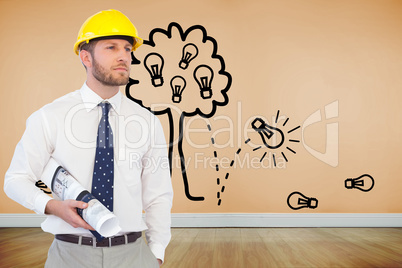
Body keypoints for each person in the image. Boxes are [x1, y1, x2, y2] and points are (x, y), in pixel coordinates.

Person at [4, 9, 173, 267]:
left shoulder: (147, 122)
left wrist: (157, 252)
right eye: (111, 47)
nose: (123, 56)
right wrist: (51, 206)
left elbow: (158, 195)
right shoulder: (50, 117)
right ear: (86, 57)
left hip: (133, 254)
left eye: (128, 49)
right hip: (69, 255)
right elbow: (15, 179)